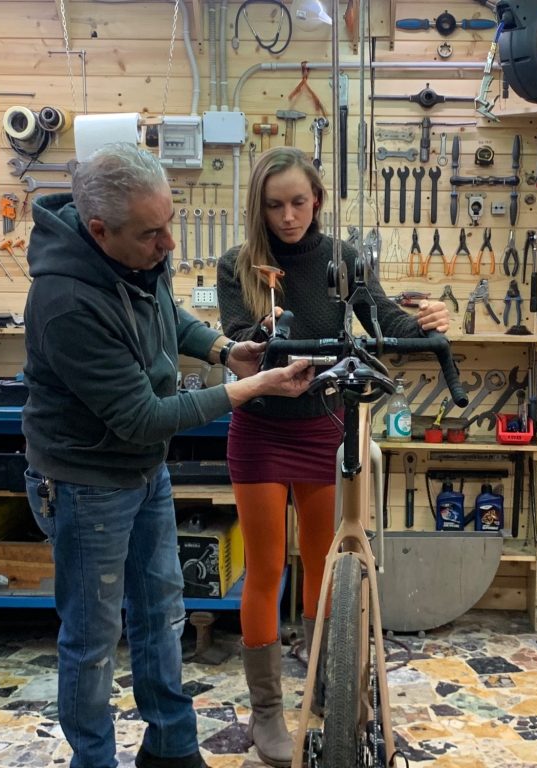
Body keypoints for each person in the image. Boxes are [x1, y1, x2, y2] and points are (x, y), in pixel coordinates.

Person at [21, 142, 313, 768]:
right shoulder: (66, 303)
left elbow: (167, 315)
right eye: (153, 233)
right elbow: (142, 416)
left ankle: (172, 750)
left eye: (170, 223)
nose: (169, 244)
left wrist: (222, 350)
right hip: (85, 483)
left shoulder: (135, 250)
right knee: (94, 639)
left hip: (141, 472)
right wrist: (248, 388)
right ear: (99, 230)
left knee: (162, 612)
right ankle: (94, 761)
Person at [217, 146, 450, 768]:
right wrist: (262, 333)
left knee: (324, 566)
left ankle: (330, 685)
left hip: (325, 424)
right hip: (261, 428)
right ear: (259, 208)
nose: (288, 216)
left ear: (316, 199)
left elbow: (382, 318)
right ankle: (267, 710)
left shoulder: (344, 259)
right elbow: (235, 337)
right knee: (267, 569)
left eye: (298, 202)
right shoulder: (239, 264)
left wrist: (429, 320)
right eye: (275, 205)